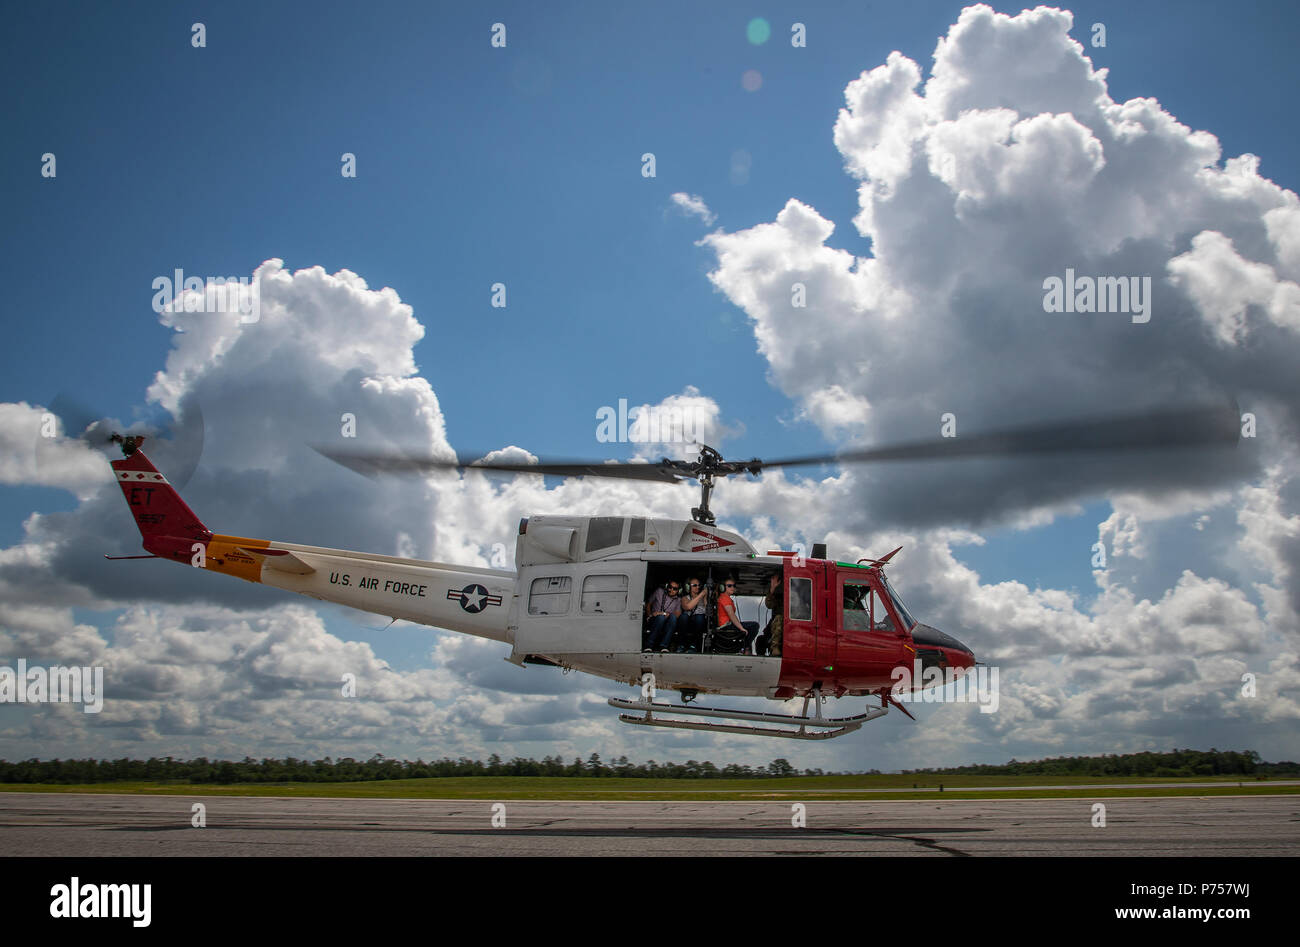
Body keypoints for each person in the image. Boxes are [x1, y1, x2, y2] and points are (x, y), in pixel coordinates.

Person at [645, 580, 682, 652]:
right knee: (660, 618)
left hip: (668, 621)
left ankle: (664, 646)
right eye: (670, 587)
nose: (671, 590)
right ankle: (649, 645)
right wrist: (649, 615)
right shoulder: (659, 591)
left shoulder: (678, 600)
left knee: (672, 618)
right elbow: (648, 604)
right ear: (666, 586)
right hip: (654, 619)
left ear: (678, 591)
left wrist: (663, 614)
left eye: (675, 589)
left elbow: (677, 614)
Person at [676, 577, 707, 653]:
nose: (698, 587)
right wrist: (701, 594)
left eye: (699, 585)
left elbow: (708, 611)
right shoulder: (685, 598)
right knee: (684, 616)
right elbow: (688, 607)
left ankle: (694, 646)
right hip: (687, 622)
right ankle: (681, 645)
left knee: (699, 617)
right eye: (695, 585)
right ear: (688, 587)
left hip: (700, 622)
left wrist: (705, 597)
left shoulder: (703, 597)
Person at [763, 573, 784, 656]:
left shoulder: (794, 594)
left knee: (779, 618)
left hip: (788, 624)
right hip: (777, 625)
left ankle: (775, 648)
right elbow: (769, 605)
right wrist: (772, 588)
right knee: (761, 638)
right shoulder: (777, 596)